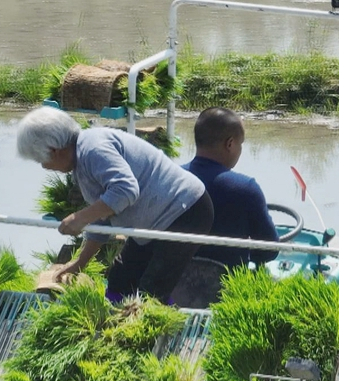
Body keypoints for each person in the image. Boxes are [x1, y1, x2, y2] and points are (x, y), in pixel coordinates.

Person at [17, 107, 213, 304]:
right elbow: (103, 216)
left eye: (42, 160)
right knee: (120, 279)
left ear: (54, 151)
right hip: (153, 222)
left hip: (185, 211)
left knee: (153, 290)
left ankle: (159, 331)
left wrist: (80, 217)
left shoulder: (93, 149)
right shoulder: (81, 162)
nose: (45, 167)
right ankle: (113, 323)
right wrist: (79, 262)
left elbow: (126, 190)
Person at [182, 107, 278, 270]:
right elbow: (268, 251)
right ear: (230, 144)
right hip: (229, 287)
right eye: (240, 144)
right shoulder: (245, 188)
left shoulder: (172, 179)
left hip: (175, 284)